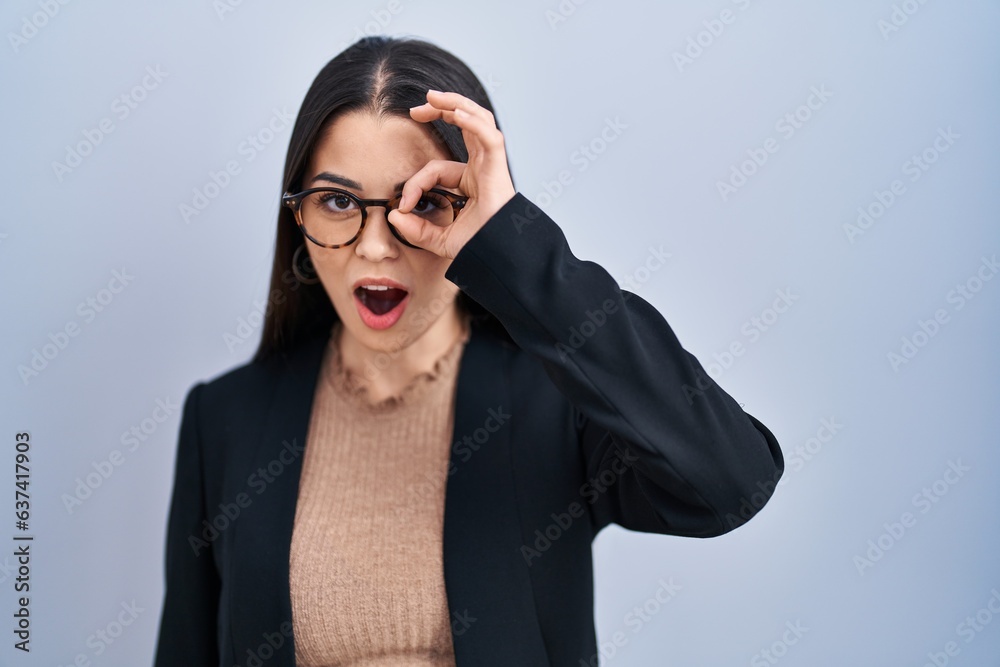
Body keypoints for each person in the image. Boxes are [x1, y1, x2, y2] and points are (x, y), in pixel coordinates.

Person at [152, 35, 784, 667]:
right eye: (339, 201)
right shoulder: (223, 420)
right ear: (297, 211)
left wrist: (519, 249)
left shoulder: (553, 406)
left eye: (423, 200)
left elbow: (731, 482)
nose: (376, 247)